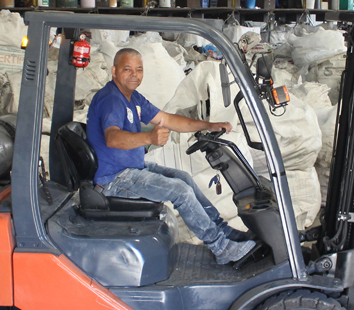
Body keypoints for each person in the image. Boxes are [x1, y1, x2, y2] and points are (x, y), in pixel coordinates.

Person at [87, 48, 257, 265]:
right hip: (114, 180)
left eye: (139, 70)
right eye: (127, 69)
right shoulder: (111, 100)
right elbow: (112, 138)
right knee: (180, 191)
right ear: (114, 71)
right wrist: (149, 137)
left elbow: (168, 120)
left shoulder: (133, 98)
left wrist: (209, 125)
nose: (134, 75)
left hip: (132, 168)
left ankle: (223, 230)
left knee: (183, 178)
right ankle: (221, 247)